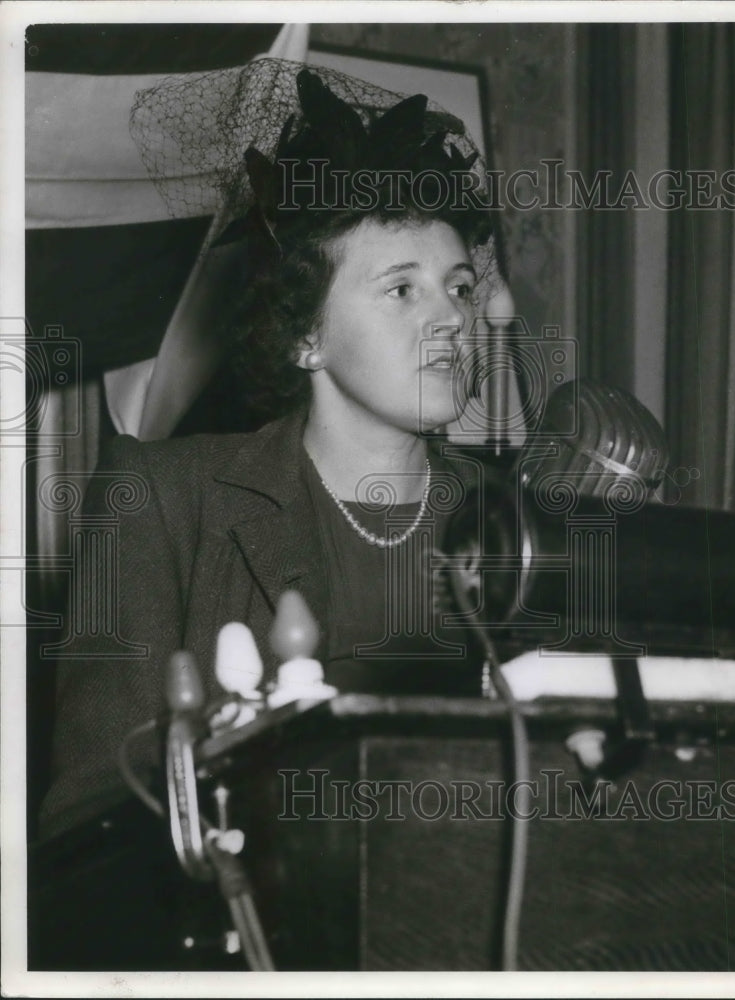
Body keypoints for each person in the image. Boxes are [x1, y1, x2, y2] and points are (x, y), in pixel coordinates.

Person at [39, 64, 497, 839]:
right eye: (401, 290)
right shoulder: (162, 496)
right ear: (305, 335)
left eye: (457, 287)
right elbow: (90, 820)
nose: (451, 318)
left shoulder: (520, 518)